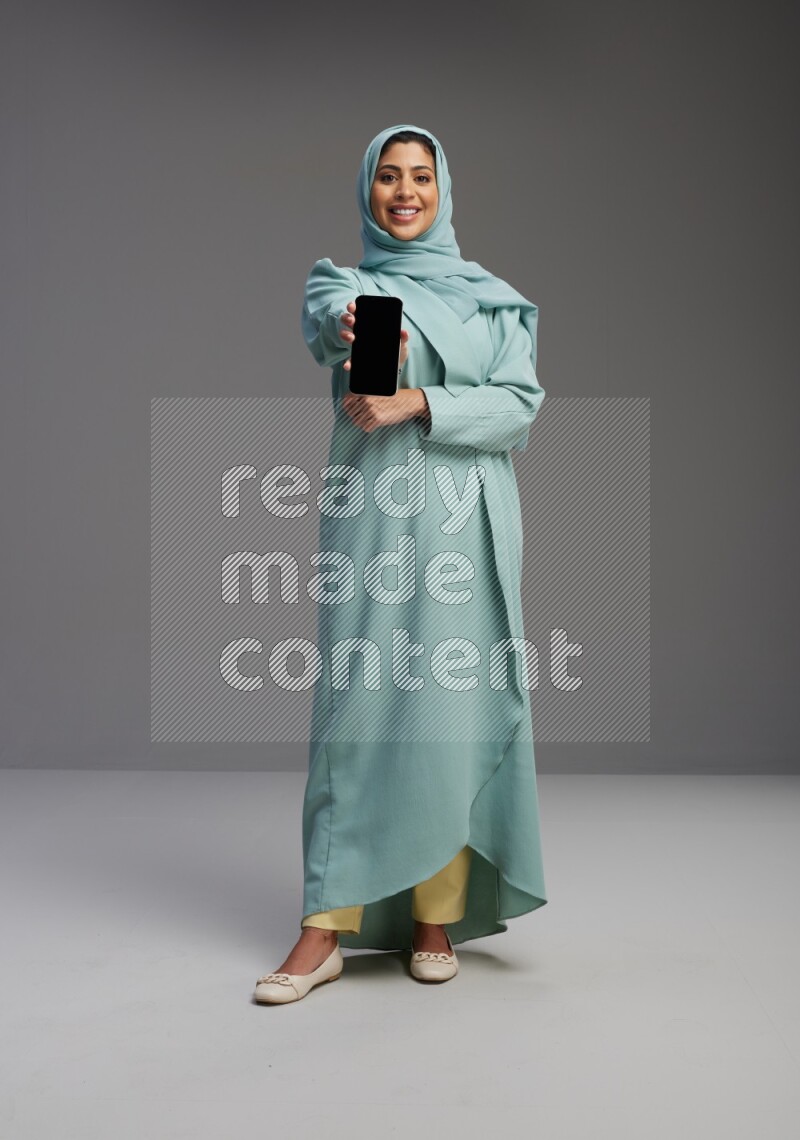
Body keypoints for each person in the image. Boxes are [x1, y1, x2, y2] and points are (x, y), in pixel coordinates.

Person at [254, 123, 548, 1005]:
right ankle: (324, 927)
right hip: (375, 518)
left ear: (444, 189)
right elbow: (329, 334)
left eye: (421, 176)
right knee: (358, 709)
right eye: (389, 176)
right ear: (368, 190)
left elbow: (518, 408)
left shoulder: (497, 304)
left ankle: (434, 916)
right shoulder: (346, 285)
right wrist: (353, 336)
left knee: (447, 712)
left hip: (469, 524)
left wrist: (419, 399)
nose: (406, 191)